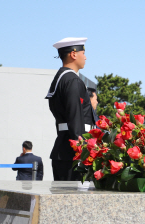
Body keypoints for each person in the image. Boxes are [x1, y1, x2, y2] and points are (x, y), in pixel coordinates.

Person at [45, 37, 94, 181]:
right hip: (73, 153)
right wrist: (83, 152)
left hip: (65, 149)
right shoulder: (72, 80)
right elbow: (75, 118)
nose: (85, 57)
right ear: (73, 54)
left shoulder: (61, 78)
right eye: (83, 53)